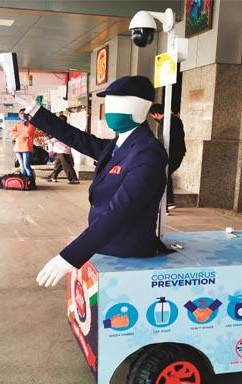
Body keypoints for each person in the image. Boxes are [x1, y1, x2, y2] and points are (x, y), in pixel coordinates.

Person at [24, 76, 168, 287]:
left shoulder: (147, 153)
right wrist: (35, 111)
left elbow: (120, 211)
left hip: (126, 249)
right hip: (105, 242)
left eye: (118, 103)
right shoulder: (119, 143)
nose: (110, 110)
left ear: (141, 107)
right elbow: (76, 138)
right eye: (109, 103)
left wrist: (70, 257)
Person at [149, 103, 186, 213]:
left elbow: (162, 141)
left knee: (162, 175)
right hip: (179, 153)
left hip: (170, 153)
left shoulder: (163, 123)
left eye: (153, 116)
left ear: (156, 114)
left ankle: (167, 203)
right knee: (165, 174)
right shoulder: (177, 120)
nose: (154, 119)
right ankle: (168, 203)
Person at [46, 115, 79, 184]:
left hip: (63, 150)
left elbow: (59, 138)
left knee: (67, 165)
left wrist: (51, 140)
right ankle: (53, 176)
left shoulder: (64, 129)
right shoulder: (63, 128)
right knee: (58, 165)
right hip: (60, 150)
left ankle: (74, 179)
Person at [10, 108, 36, 177]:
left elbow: (28, 134)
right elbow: (12, 132)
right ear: (19, 115)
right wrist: (20, 134)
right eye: (21, 113)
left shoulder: (31, 124)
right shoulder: (17, 124)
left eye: (24, 113)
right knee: (21, 166)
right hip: (17, 148)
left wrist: (18, 134)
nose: (22, 115)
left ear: (27, 114)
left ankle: (31, 180)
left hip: (26, 148)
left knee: (26, 166)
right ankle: (25, 182)